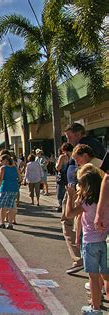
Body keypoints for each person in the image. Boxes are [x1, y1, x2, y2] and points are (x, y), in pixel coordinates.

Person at [63, 123, 105, 275]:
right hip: (82, 195)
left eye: (70, 136)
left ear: (79, 133)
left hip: (83, 196)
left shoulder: (87, 149)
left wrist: (72, 193)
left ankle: (80, 258)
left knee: (73, 222)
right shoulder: (89, 147)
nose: (69, 139)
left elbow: (98, 175)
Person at [65, 164, 108, 313]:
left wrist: (70, 196)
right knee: (106, 277)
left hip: (90, 243)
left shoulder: (87, 203)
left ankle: (95, 308)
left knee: (93, 278)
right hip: (103, 241)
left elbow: (69, 214)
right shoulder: (104, 202)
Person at [0, 154, 21, 230]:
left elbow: (0, 179)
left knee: (3, 206)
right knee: (11, 206)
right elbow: (20, 178)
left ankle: (2, 222)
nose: (0, 162)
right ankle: (10, 223)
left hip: (5, 188)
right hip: (14, 188)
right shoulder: (15, 168)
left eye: (1, 160)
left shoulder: (3, 168)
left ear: (5, 160)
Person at [55, 143, 73, 212]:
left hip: (63, 177)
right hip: (71, 176)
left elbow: (58, 168)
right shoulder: (74, 156)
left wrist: (56, 164)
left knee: (60, 193)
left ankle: (61, 206)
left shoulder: (62, 157)